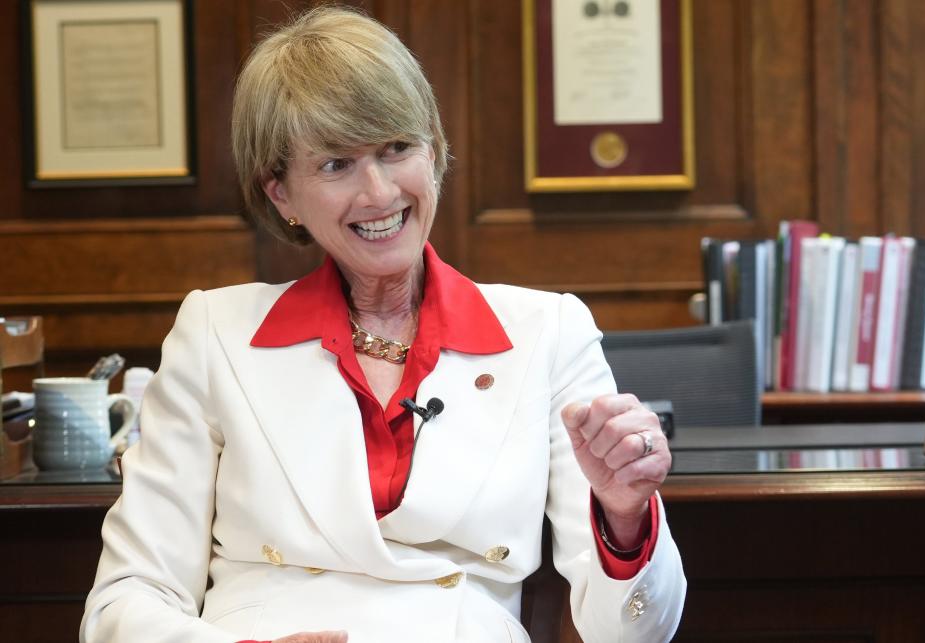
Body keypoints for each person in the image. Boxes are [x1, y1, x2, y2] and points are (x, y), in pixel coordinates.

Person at [80, 6, 685, 643]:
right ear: (280, 193)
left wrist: (623, 514)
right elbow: (126, 599)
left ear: (434, 152)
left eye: (396, 148)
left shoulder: (549, 331)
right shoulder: (215, 333)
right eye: (335, 164)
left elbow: (632, 635)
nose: (378, 193)